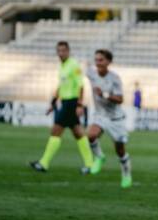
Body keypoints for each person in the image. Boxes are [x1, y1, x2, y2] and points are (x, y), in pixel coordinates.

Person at [29, 42, 94, 174]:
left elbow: (81, 85)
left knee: (55, 131)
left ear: (68, 51)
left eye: (63, 51)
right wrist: (53, 103)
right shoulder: (62, 66)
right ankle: (90, 164)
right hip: (65, 102)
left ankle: (44, 163)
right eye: (59, 51)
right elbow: (61, 86)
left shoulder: (74, 65)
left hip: (71, 102)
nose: (61, 53)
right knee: (78, 133)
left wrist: (80, 104)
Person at [86, 49, 132, 189]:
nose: (98, 63)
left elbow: (120, 99)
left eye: (101, 60)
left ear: (108, 62)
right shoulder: (91, 73)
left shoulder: (115, 78)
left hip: (115, 118)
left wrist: (105, 94)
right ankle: (99, 157)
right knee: (91, 135)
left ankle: (126, 173)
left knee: (120, 150)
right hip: (100, 115)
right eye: (96, 60)